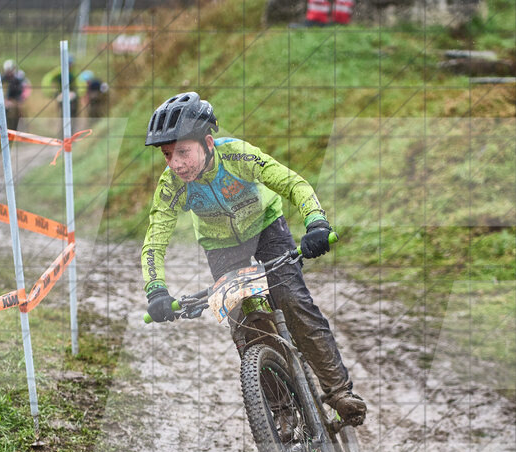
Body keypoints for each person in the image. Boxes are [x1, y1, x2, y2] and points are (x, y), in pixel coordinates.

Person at [141, 92, 366, 425]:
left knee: (291, 299)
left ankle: (339, 392)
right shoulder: (173, 184)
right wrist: (156, 289)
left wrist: (315, 221)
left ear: (208, 143)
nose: (175, 164)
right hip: (221, 247)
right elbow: (154, 241)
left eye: (183, 152)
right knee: (248, 324)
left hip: (266, 229)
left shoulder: (238, 156)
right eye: (167, 154)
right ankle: (281, 410)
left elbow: (292, 183)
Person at [41, 54, 78, 119]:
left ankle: (73, 127)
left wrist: (78, 93)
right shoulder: (58, 71)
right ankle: (62, 127)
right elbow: (47, 79)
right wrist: (50, 92)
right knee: (62, 114)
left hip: (73, 95)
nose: (69, 65)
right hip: (61, 94)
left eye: (70, 63)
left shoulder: (75, 71)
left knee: (73, 113)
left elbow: (80, 82)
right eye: (67, 63)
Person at [0, 60, 31, 131]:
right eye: (7, 71)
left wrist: (23, 97)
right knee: (6, 109)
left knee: (20, 111)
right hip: (10, 95)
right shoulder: (6, 76)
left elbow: (27, 87)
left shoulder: (20, 76)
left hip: (19, 96)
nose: (8, 73)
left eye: (9, 71)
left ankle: (23, 127)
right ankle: (6, 127)